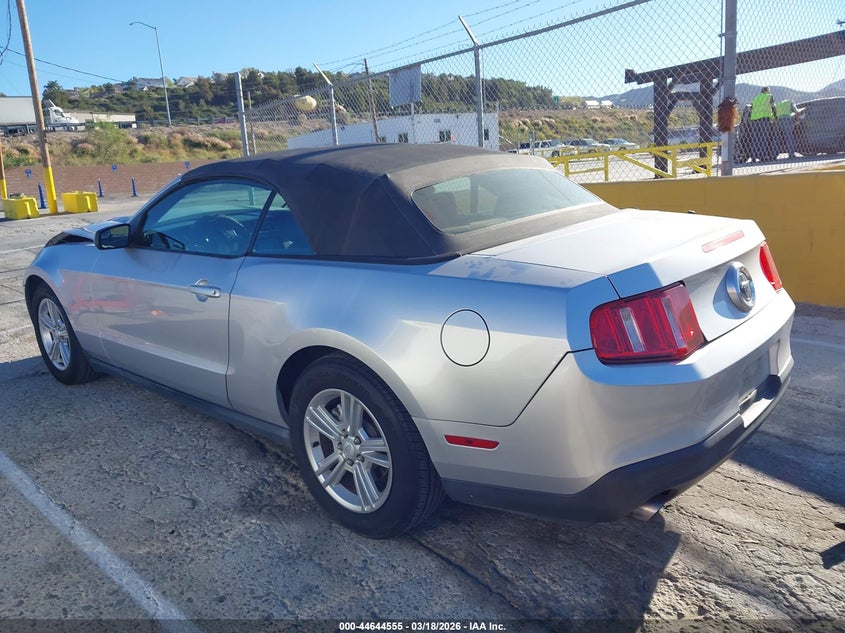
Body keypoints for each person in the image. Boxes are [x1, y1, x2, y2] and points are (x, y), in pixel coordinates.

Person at [749, 87, 777, 161]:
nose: (769, 92)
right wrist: (775, 117)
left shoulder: (756, 98)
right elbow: (774, 107)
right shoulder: (769, 96)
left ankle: (753, 157)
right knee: (763, 139)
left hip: (754, 120)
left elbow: (751, 108)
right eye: (769, 91)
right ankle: (762, 157)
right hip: (764, 119)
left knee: (755, 139)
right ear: (767, 91)